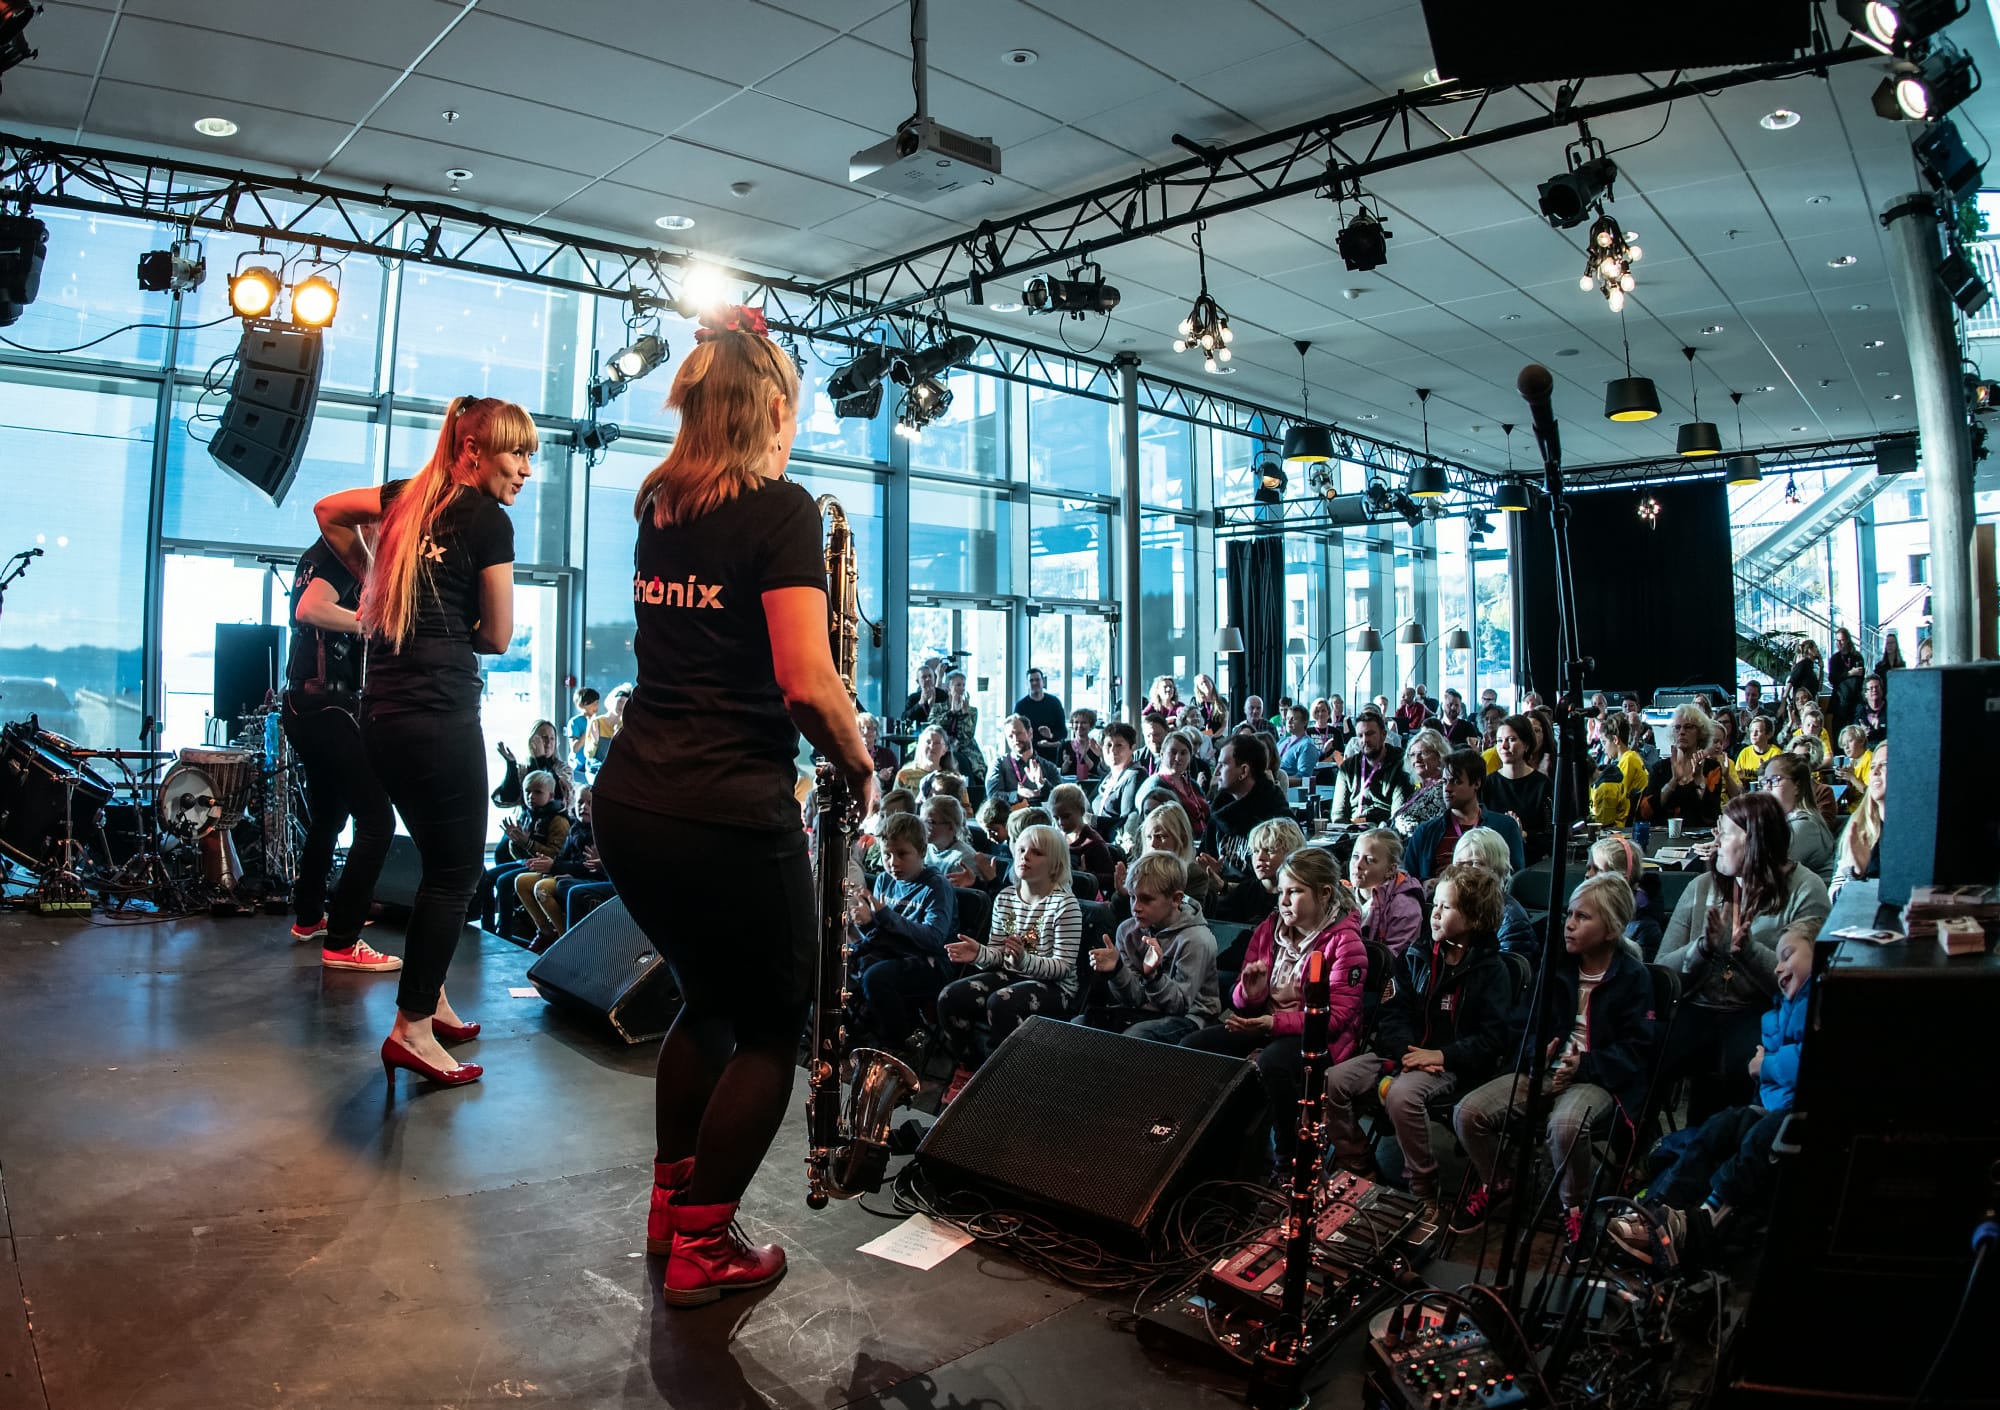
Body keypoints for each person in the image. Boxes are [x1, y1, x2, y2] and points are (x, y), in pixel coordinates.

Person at [588, 307, 876, 1306]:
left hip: (633, 800)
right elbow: (804, 680)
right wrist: (859, 760)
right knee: (770, 1025)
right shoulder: (778, 510)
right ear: (770, 409)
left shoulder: (660, 504)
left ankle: (672, 1209)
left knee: (706, 1002)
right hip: (725, 808)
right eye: (791, 404)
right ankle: (706, 1246)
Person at [316, 394, 537, 1092]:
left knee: (440, 863)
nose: (526, 469)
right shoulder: (487, 520)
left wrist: (374, 580)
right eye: (517, 453)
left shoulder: (405, 499)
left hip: (381, 713)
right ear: (473, 451)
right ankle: (412, 1029)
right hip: (438, 715)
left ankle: (430, 996)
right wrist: (404, 597)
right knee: (455, 873)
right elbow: (497, 636)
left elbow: (327, 510)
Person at [1451, 873, 1654, 1251]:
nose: (1569, 924)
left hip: (1597, 1077)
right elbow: (1524, 1023)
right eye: (1569, 914)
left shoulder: (1633, 978)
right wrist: (1536, 1054)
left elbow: (1636, 1051)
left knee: (1565, 1125)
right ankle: (1499, 1180)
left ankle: (1573, 1207)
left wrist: (1585, 1065)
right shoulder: (1556, 964)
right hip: (1545, 1068)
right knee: (1467, 1113)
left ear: (1611, 929)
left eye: (1583, 917)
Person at [1608, 928, 1812, 1270]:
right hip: (1772, 1108)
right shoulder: (1784, 1008)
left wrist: (1765, 1065)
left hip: (1792, 1118)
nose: (1778, 967)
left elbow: (1806, 1061)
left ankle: (1705, 1220)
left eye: (1787, 956)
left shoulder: (1818, 1002)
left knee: (1755, 1137)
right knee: (1718, 1128)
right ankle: (1654, 1209)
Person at [1325, 863, 1517, 1223]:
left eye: (1447, 907)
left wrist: (1441, 1055)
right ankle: (1360, 1166)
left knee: (1401, 1095)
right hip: (1403, 1056)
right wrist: (1405, 1052)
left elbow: (1492, 1039)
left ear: (1475, 919)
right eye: (1435, 904)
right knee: (1334, 1080)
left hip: (1451, 1065)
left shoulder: (1492, 972)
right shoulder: (1416, 955)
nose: (1435, 913)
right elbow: (1392, 1012)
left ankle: (1424, 1189)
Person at [1182, 846, 1367, 1173]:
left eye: (1295, 892)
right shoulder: (1270, 928)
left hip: (1317, 1039)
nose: (1283, 901)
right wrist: (1248, 994)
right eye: (1281, 892)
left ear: (1324, 894)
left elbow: (1335, 1019)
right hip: (1268, 1024)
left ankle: (1289, 1158)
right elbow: (1241, 999)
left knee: (1273, 1063)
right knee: (1194, 1046)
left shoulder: (1345, 942)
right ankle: (1205, 1147)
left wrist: (1271, 1023)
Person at [1656, 791, 1831, 1122]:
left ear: (1753, 840)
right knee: (1647, 1053)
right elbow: (1662, 973)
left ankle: (1733, 1141)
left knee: (1743, 1066)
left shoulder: (1805, 889)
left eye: (1724, 833)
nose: (1716, 842)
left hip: (1760, 1011)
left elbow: (1804, 989)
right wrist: (1702, 949)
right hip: (1696, 1007)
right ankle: (1642, 1145)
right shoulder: (1702, 886)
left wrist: (1748, 951)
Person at [278, 533, 400, 970]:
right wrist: (370, 624)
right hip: (328, 706)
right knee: (378, 821)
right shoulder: (339, 554)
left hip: (303, 704)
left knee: (329, 816)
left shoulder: (314, 555)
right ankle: (344, 941)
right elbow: (309, 609)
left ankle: (310, 916)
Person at [939, 823, 1083, 1101]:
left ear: (1055, 864)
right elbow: (999, 954)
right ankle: (969, 1068)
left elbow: (1062, 967)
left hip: (1055, 987)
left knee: (1002, 1002)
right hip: (1013, 974)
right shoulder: (1005, 897)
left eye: (1036, 852)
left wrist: (1023, 960)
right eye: (1021, 850)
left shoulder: (1065, 905)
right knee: (951, 996)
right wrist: (980, 954)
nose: (1025, 856)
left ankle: (1005, 1080)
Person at [1081, 851, 1221, 1044]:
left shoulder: (1197, 940)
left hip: (1191, 1018)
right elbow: (1131, 999)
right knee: (1082, 1024)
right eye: (1133, 897)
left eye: (1146, 899)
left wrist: (1154, 977)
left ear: (1176, 899)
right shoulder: (1128, 931)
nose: (1135, 907)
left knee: (1137, 1036)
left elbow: (1179, 1006)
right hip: (1143, 1011)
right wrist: (1117, 971)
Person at [846, 811, 956, 1049]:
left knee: (876, 977)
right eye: (887, 854)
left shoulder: (936, 886)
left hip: (930, 962)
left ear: (922, 851)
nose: (893, 862)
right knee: (840, 962)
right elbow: (880, 935)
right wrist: (867, 924)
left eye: (902, 854)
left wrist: (884, 915)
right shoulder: (885, 880)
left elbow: (934, 939)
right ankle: (849, 1033)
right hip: (893, 954)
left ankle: (898, 1046)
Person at [1406, 750, 1525, 881]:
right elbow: (1408, 881)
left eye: (1456, 782)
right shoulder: (1426, 832)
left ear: (1476, 784)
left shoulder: (1505, 827)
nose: (1447, 788)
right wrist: (1424, 883)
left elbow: (1515, 880)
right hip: (1439, 893)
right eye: (1444, 781)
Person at [480, 769, 570, 936]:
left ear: (550, 795)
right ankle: (488, 928)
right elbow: (518, 856)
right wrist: (515, 842)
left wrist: (527, 843)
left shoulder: (558, 820)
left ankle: (505, 932)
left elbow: (554, 855)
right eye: (527, 792)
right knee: (486, 877)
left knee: (504, 881)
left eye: (537, 792)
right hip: (526, 863)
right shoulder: (528, 815)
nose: (531, 797)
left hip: (544, 868)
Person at [515, 785, 602, 951]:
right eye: (580, 802)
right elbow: (562, 857)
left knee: (542, 888)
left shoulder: (599, 833)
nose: (584, 807)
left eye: (590, 803)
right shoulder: (575, 828)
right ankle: (545, 931)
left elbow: (589, 867)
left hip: (585, 878)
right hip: (566, 872)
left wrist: (555, 866)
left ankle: (564, 940)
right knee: (522, 881)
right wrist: (549, 864)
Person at [1198, 734, 1290, 881]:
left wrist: (1227, 886)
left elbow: (1281, 879)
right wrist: (1212, 872)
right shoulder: (1220, 809)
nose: (1217, 771)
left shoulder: (1276, 817)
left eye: (1223, 765)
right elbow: (1205, 857)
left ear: (1244, 771)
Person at [1452, 826, 1539, 958]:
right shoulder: (1446, 907)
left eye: (1476, 864)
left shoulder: (1510, 919)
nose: (1466, 872)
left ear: (1497, 868)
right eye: (1460, 865)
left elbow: (1508, 969)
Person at [1640, 704, 1728, 829]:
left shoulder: (1712, 768)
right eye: (1677, 727)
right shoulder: (1660, 768)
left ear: (1700, 733)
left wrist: (1699, 780)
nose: (1681, 732)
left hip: (1699, 836)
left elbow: (1712, 817)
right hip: (1663, 836)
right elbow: (1645, 813)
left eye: (1688, 727)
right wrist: (1673, 781)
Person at [1204, 816, 1304, 925]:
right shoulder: (1246, 890)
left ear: (1291, 854)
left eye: (1269, 850)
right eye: (1255, 851)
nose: (1259, 857)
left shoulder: (1301, 895)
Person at [1481, 713, 1551, 862]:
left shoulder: (1542, 785)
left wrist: (1523, 834)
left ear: (1526, 744)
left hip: (1532, 861)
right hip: (1493, 859)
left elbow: (1550, 833)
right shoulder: (1488, 784)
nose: (1504, 746)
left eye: (1511, 740)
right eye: (1499, 741)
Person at [1350, 826, 1428, 957]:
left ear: (1390, 870)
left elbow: (1394, 958)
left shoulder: (1406, 906)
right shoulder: (1343, 894)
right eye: (1355, 856)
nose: (1358, 865)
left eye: (1369, 860)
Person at [1760, 752, 1835, 885]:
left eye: (1775, 779)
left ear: (1797, 786)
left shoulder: (1805, 826)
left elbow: (1770, 875)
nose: (1767, 787)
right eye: (1765, 781)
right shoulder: (1778, 822)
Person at [1586, 834, 1662, 959]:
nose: (1588, 875)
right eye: (1588, 868)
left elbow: (1643, 967)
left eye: (1598, 870)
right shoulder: (1582, 911)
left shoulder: (1645, 927)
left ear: (1621, 879)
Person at [1330, 711, 1410, 826]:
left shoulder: (1401, 764)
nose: (1365, 740)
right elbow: (1338, 813)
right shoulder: (1348, 767)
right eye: (1360, 735)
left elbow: (1398, 815)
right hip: (1352, 827)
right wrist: (1346, 830)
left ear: (1383, 735)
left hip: (1385, 829)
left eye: (1370, 734)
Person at [1831, 742, 1888, 896]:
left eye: (1885, 765)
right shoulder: (1857, 826)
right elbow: (1833, 897)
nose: (1875, 771)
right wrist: (1855, 874)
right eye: (1873, 766)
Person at [1134, 728, 1211, 837]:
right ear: (1162, 755)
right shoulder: (1154, 785)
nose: (1178, 758)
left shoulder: (1192, 784)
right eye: (1173, 752)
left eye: (1183, 753)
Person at [1048, 783, 1116, 897]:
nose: (1061, 822)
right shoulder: (1057, 838)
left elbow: (1111, 878)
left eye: (1066, 816)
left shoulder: (1094, 843)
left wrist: (1087, 875)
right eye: (1056, 818)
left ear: (1081, 811)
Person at [491, 719, 572, 809]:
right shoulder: (522, 770)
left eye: (552, 738)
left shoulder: (563, 769)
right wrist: (511, 765)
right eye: (544, 737)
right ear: (532, 740)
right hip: (526, 817)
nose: (548, 742)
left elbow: (560, 797)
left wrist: (541, 758)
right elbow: (506, 799)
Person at [1588, 712, 1650, 828]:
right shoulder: (1632, 757)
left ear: (1615, 740)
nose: (1604, 749)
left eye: (1605, 742)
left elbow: (1615, 796)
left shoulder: (1628, 761)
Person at [986, 714, 1059, 809]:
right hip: (1010, 816)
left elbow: (1060, 799)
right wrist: (1017, 795)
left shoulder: (1049, 767)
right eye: (1010, 736)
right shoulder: (999, 764)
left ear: (1030, 733)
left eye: (1019, 733)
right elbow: (993, 796)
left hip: (1041, 815)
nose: (1015, 739)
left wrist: (1042, 784)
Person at [931, 670, 985, 797]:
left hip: (965, 748)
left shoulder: (972, 711)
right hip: (942, 746)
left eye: (963, 685)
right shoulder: (938, 708)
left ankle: (971, 794)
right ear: (948, 688)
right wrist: (951, 712)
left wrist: (965, 714)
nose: (962, 688)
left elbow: (967, 735)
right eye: (958, 685)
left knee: (969, 763)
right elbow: (933, 728)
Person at [1390, 727, 1451, 838]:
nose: (1417, 759)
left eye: (1423, 753)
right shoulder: (1421, 789)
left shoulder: (1442, 790)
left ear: (1439, 755)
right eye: (1412, 754)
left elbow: (1433, 830)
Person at [1091, 721, 1145, 844]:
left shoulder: (1135, 776)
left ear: (1132, 747)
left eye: (1119, 745)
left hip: (1114, 845)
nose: (1113, 750)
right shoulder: (1108, 777)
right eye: (1108, 745)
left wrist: (1093, 820)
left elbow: (1125, 821)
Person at [1014, 667, 1066, 754]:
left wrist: (1051, 735)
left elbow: (1063, 732)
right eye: (1031, 680)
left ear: (1043, 682)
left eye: (1037, 680)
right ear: (1027, 684)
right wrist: (1035, 743)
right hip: (1029, 751)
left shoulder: (1054, 703)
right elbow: (1017, 732)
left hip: (1052, 751)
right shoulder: (1021, 706)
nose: (1034, 683)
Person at [897, 724, 956, 796]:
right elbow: (893, 802)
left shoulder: (953, 778)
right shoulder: (904, 774)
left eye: (937, 743)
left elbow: (963, 803)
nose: (931, 746)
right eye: (928, 742)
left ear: (945, 749)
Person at [583, 682, 631, 771]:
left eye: (625, 703)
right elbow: (588, 755)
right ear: (612, 701)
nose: (621, 705)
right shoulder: (597, 722)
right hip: (596, 769)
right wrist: (595, 741)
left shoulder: (625, 726)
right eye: (620, 701)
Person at [1827, 627, 1866, 728]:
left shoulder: (1857, 657)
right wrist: (1849, 673)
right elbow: (1832, 679)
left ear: (1848, 640)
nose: (1839, 643)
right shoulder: (1835, 659)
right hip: (1840, 701)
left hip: (1855, 701)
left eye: (1842, 640)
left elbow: (1861, 677)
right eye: (1837, 640)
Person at [1733, 713, 1782, 785]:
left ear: (1769, 734)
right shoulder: (1744, 753)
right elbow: (1736, 778)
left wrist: (1763, 772)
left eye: (1758, 731)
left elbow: (1778, 781)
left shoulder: (1776, 754)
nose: (1754, 734)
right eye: (1752, 731)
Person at [1277, 705, 1320, 780]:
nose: (1289, 722)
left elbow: (1303, 778)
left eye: (1293, 719)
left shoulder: (1307, 746)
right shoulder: (1282, 741)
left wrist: (1278, 782)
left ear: (1304, 722)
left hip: (1284, 784)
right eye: (1287, 718)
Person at [566, 686, 600, 778]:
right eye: (593, 704)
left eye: (597, 703)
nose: (596, 707)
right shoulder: (575, 722)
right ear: (583, 705)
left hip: (594, 766)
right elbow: (575, 748)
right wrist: (588, 729)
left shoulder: (598, 721)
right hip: (579, 766)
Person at [902, 661, 943, 732]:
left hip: (940, 734)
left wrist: (933, 706)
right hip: (921, 734)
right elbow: (904, 718)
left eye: (930, 676)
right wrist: (920, 704)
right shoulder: (913, 698)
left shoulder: (942, 695)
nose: (928, 679)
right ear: (918, 682)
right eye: (924, 677)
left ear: (934, 678)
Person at [1852, 673, 1888, 746]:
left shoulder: (1889, 709)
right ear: (1865, 693)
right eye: (1871, 688)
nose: (1874, 690)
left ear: (1882, 691)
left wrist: (1880, 729)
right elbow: (1854, 733)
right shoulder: (1861, 711)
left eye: (1877, 687)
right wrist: (1861, 732)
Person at [1190, 673, 1229, 737]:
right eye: (1201, 683)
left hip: (1217, 736)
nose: (1204, 684)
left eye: (1206, 681)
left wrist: (1213, 737)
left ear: (1211, 682)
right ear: (1198, 688)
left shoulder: (1222, 701)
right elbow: (1191, 723)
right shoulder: (1195, 701)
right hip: (1199, 737)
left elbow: (1224, 725)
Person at [1786, 639, 1823, 705]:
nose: (1817, 650)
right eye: (1815, 647)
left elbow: (1819, 688)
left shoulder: (1811, 668)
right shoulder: (1803, 664)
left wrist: (1821, 668)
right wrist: (1783, 701)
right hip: (1802, 703)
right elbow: (1791, 681)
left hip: (1810, 703)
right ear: (1809, 650)